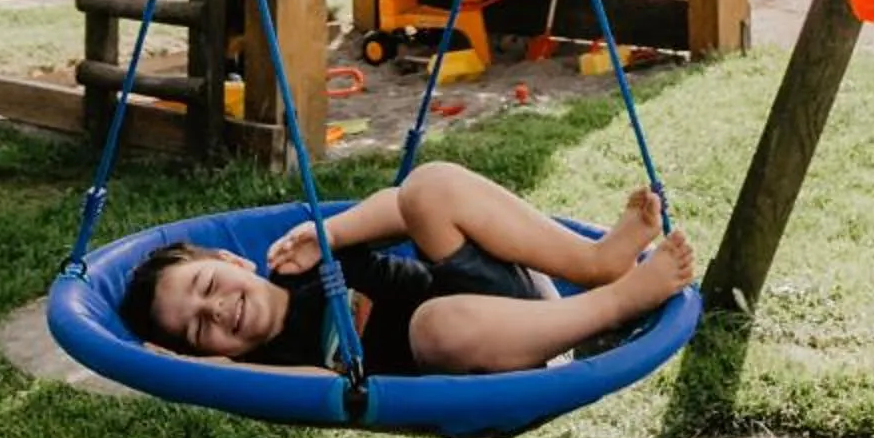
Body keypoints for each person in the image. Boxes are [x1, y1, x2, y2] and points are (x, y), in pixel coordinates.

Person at [122, 159, 694, 379]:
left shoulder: (295, 263)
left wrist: (332, 233)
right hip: (481, 349)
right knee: (432, 326)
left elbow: (398, 212)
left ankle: (594, 263)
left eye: (207, 287)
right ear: (217, 355)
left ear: (229, 258)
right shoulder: (274, 362)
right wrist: (205, 372)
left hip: (510, 295)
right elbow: (315, 386)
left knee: (427, 188)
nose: (218, 308)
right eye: (201, 328)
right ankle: (616, 303)